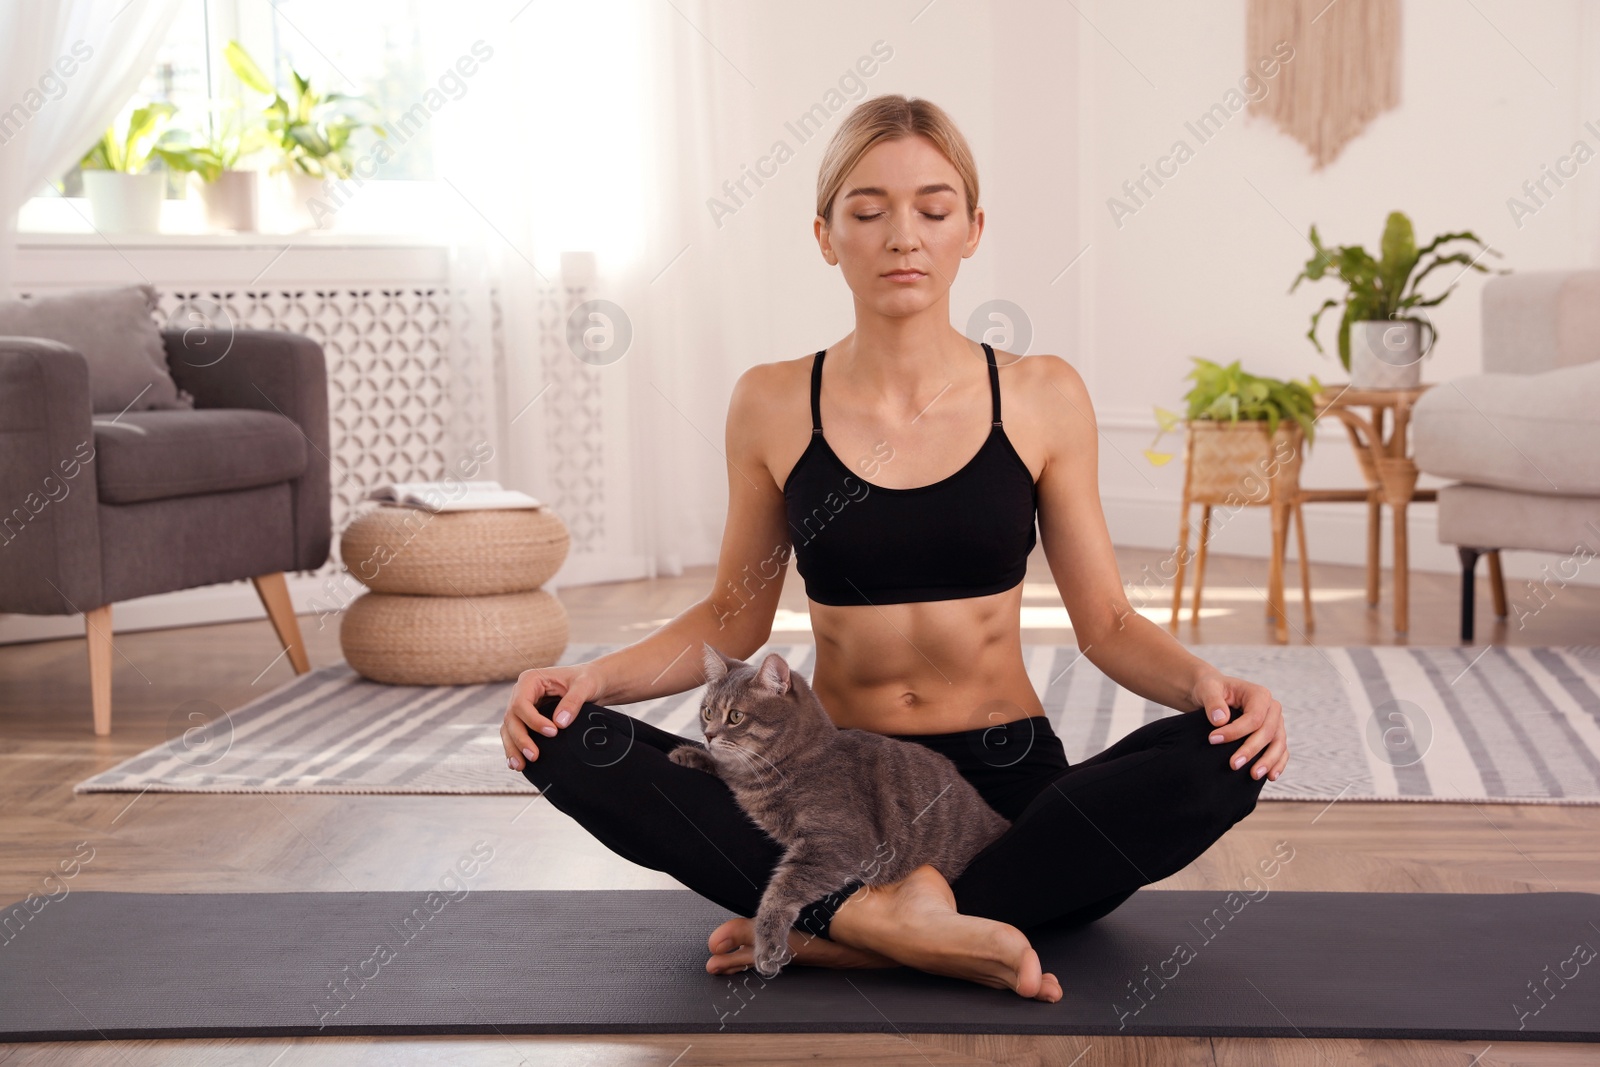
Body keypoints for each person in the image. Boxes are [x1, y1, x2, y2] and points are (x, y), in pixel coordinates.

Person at [501, 94, 1289, 1004]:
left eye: (933, 209)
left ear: (973, 230)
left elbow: (1106, 621)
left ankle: (842, 929)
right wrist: (591, 679)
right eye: (868, 212)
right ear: (827, 236)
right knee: (563, 740)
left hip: (1001, 786)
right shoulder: (770, 399)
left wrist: (1208, 686)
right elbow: (732, 616)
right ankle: (902, 920)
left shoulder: (1041, 395)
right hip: (830, 779)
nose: (902, 236)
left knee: (1224, 757)